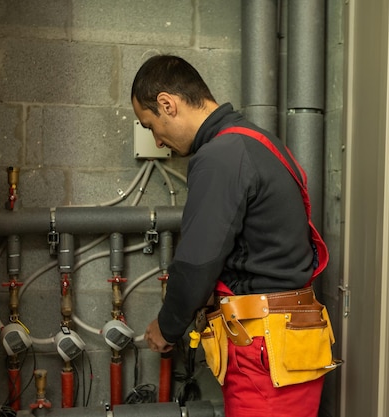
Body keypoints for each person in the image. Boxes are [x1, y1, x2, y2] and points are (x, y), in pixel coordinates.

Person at [131, 55, 332, 417]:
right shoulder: (260, 143)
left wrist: (167, 327)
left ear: (167, 104)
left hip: (262, 349)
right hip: (289, 342)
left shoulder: (220, 156)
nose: (157, 141)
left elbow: (196, 264)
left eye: (150, 126)